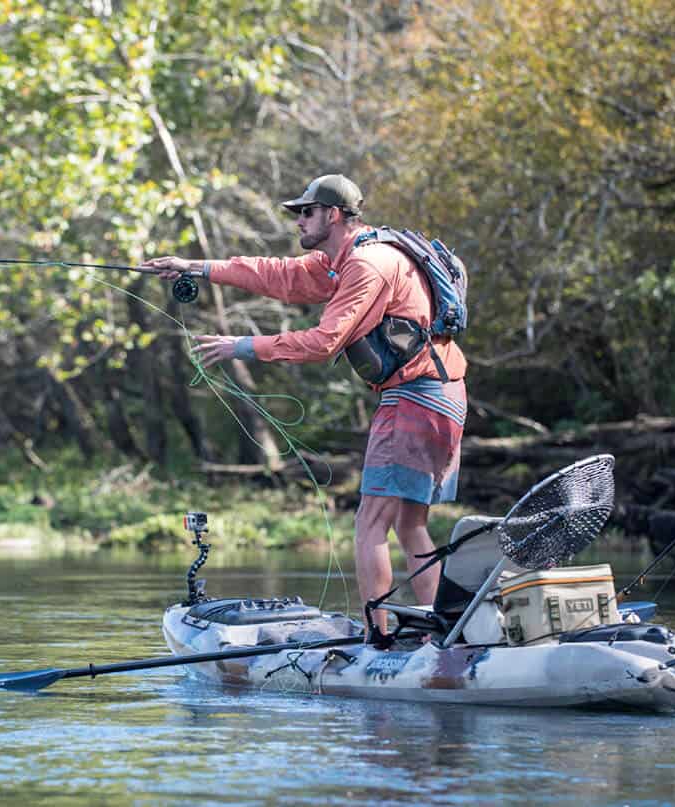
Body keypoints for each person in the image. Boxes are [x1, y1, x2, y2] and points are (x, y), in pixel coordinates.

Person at [140, 174, 467, 637]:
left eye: (306, 212)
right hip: (443, 394)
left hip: (415, 398)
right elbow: (279, 275)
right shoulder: (348, 259)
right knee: (410, 524)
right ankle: (445, 628)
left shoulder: (366, 266)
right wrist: (196, 267)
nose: (299, 221)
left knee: (370, 523)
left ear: (333, 215)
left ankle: (378, 636)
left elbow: (324, 341)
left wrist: (243, 346)